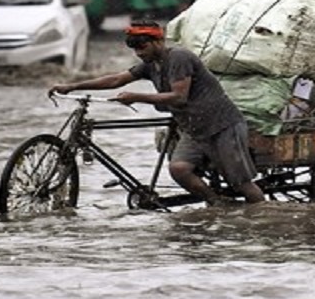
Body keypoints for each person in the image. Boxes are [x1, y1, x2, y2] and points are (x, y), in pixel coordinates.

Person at [49, 21, 266, 206]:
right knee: (180, 169)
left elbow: (178, 97)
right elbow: (115, 80)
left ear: (158, 42)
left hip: (221, 125)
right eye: (135, 49)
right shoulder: (150, 65)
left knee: (241, 183)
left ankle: (263, 214)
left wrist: (137, 97)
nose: (139, 53)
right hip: (193, 128)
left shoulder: (179, 58)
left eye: (142, 47)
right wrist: (73, 86)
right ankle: (217, 204)